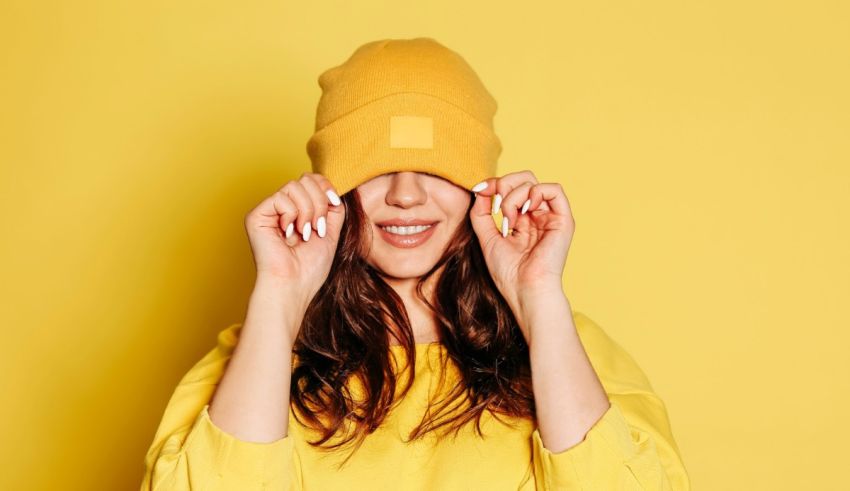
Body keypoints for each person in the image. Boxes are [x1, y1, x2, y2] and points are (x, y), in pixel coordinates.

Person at [140, 37, 690, 490]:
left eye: (437, 167)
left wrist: (539, 296)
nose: (406, 195)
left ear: (483, 187)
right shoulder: (254, 355)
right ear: (332, 188)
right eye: (375, 169)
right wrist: (279, 295)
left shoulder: (573, 351)